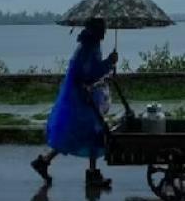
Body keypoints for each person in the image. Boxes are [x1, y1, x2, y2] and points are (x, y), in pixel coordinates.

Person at [31, 17, 119, 188]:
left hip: (81, 96)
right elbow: (88, 73)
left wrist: (107, 65)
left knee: (75, 132)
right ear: (96, 31)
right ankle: (92, 175)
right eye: (103, 29)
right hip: (82, 98)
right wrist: (109, 62)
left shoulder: (88, 45)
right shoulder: (89, 48)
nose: (105, 32)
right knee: (92, 133)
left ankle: (44, 161)